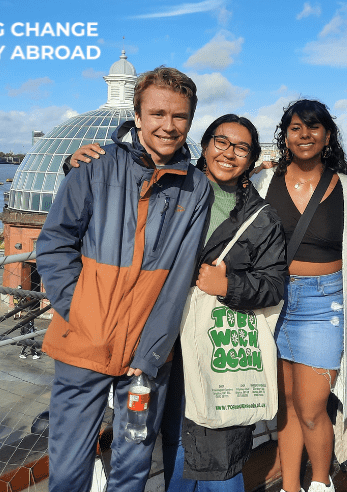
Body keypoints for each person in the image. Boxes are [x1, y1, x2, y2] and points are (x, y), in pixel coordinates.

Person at [70, 114, 289, 492]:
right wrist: (78, 166)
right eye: (221, 142)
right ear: (204, 146)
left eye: (242, 148)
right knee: (172, 442)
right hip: (160, 342)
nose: (229, 153)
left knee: (219, 455)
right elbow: (115, 205)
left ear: (251, 159)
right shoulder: (172, 187)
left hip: (217, 347)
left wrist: (229, 284)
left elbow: (274, 284)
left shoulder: (261, 217)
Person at [36, 67, 211, 492]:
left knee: (133, 464)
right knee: (68, 464)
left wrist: (151, 348)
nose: (168, 126)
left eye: (180, 116)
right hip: (84, 340)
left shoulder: (197, 186)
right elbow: (55, 243)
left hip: (146, 357)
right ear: (137, 116)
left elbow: (178, 276)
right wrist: (81, 313)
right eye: (158, 113)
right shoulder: (94, 168)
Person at [252, 100, 347, 492]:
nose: (305, 135)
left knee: (312, 408)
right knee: (286, 405)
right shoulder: (264, 181)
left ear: (327, 135)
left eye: (314, 128)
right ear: (285, 135)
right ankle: (291, 486)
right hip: (274, 300)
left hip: (323, 303)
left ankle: (320, 483)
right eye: (296, 128)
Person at [18, 295, 42, 360]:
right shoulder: (27, 321)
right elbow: (25, 329)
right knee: (27, 344)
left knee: (30, 344)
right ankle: (24, 354)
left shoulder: (31, 320)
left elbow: (32, 326)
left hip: (30, 332)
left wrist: (34, 329)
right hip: (27, 333)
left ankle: (31, 354)